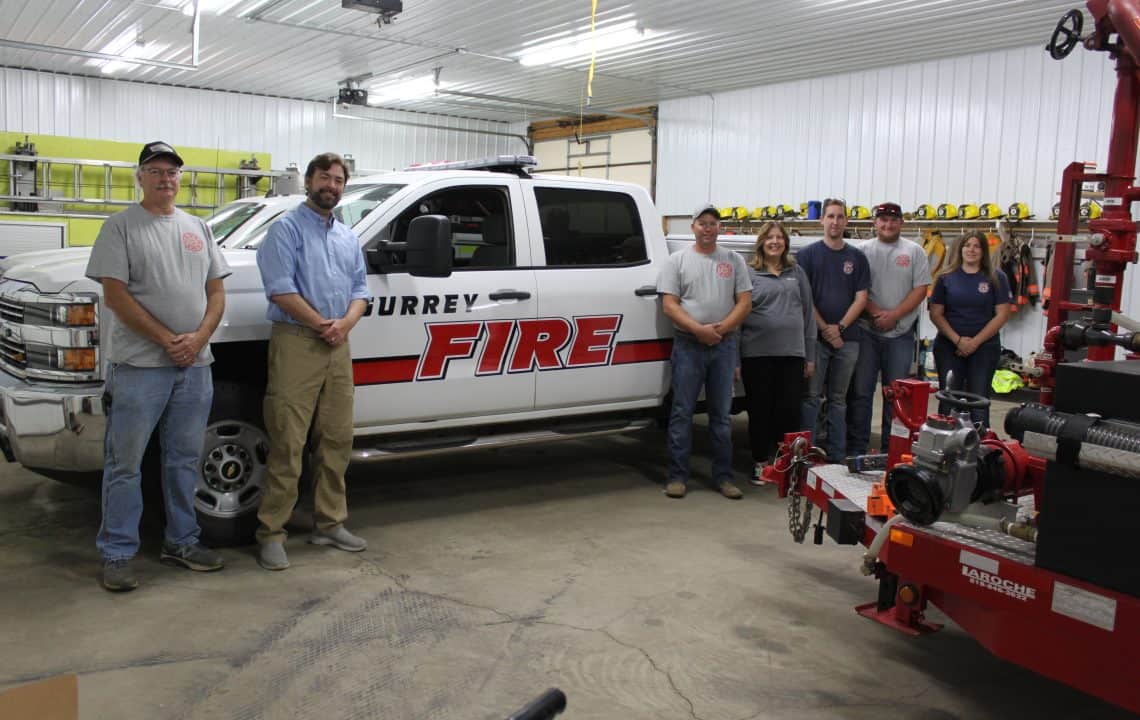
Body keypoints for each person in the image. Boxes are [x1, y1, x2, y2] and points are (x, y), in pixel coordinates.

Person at [86, 141, 231, 592]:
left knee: (184, 460)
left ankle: (181, 541)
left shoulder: (198, 228)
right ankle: (117, 552)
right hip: (139, 366)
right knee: (124, 464)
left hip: (195, 366)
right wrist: (168, 340)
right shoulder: (120, 227)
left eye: (171, 172)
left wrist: (198, 339)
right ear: (140, 177)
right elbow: (116, 296)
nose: (165, 178)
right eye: (155, 170)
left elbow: (216, 293)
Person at [254, 152, 371, 570]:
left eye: (339, 180)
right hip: (298, 342)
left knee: (337, 439)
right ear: (308, 181)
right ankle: (271, 532)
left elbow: (361, 290)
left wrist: (343, 326)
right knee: (288, 441)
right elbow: (280, 290)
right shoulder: (285, 230)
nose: (332, 185)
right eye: (325, 177)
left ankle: (330, 523)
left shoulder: (347, 237)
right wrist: (325, 324)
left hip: (338, 344)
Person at [657, 204, 752, 500]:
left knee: (721, 416)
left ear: (718, 228)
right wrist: (699, 330)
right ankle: (677, 477)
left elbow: (744, 302)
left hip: (724, 345)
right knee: (682, 412)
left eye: (713, 223)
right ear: (693, 227)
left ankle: (723, 477)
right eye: (702, 223)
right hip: (688, 344)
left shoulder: (733, 260)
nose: (707, 228)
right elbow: (669, 304)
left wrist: (720, 330)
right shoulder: (677, 261)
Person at [847, 202, 931, 455]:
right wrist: (875, 313)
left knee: (896, 396)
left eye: (893, 220)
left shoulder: (915, 251)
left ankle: (890, 450)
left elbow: (921, 290)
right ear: (875, 223)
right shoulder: (861, 251)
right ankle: (857, 448)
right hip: (866, 332)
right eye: (882, 220)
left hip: (901, 334)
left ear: (901, 222)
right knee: (861, 392)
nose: (888, 224)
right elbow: (857, 289)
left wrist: (894, 316)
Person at [739, 221, 816, 483]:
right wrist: (736, 358)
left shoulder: (797, 273)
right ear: (761, 242)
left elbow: (808, 315)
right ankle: (761, 463)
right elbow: (738, 315)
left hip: (792, 354)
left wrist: (810, 355)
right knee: (759, 412)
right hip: (756, 354)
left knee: (789, 412)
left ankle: (785, 467)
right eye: (770, 237)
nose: (775, 242)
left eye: (779, 238)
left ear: (786, 243)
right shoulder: (748, 273)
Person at [796, 199, 870, 462]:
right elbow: (805, 299)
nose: (835, 221)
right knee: (811, 398)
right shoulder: (806, 256)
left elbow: (861, 298)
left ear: (846, 221)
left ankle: (837, 457)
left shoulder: (857, 257)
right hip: (815, 339)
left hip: (848, 340)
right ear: (821, 221)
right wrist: (825, 329)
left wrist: (839, 328)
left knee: (839, 399)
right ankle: (806, 456)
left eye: (840, 217)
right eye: (830, 216)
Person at [928, 231, 1013, 427]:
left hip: (984, 348)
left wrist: (974, 343)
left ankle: (980, 449)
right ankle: (944, 446)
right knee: (948, 398)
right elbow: (936, 313)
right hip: (949, 347)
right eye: (967, 245)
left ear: (983, 251)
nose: (971, 250)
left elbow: (1002, 315)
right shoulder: (945, 277)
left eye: (977, 246)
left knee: (979, 400)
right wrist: (958, 341)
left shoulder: (996, 277)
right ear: (960, 249)